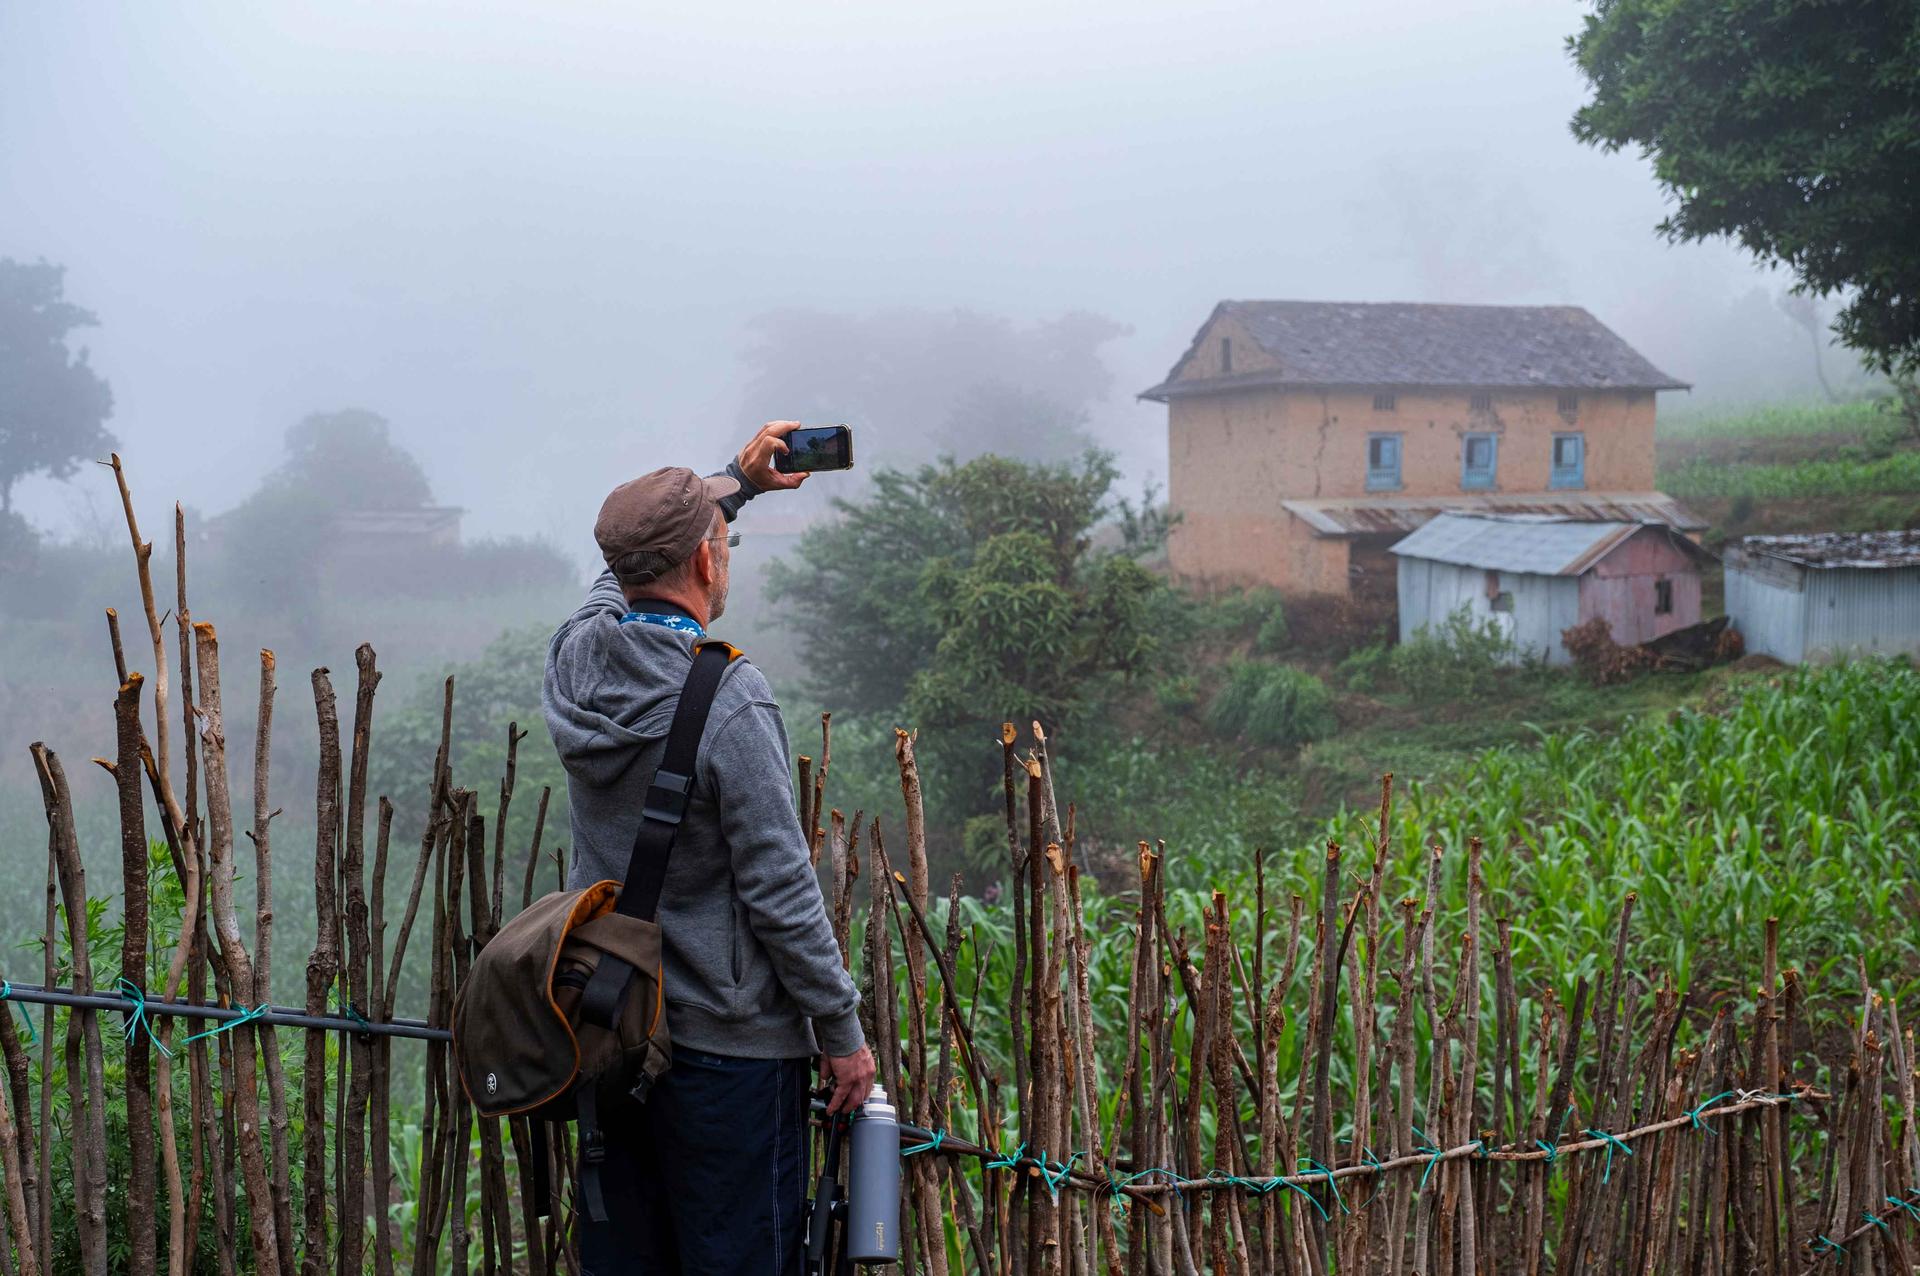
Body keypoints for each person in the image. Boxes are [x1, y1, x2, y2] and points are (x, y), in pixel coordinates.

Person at [543, 421, 876, 1275]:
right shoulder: (731, 698)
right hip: (728, 1059)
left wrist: (739, 480)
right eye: (722, 543)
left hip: (613, 1038)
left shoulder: (575, 661)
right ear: (704, 562)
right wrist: (840, 1028)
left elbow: (610, 575)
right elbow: (780, 890)